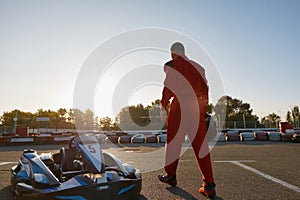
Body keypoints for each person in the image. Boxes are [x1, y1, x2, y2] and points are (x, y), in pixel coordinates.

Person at [158, 42, 216, 199]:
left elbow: (168, 88)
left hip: (179, 106)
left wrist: (164, 105)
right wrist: (202, 111)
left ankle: (171, 176)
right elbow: (205, 90)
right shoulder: (199, 67)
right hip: (196, 106)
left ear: (172, 53)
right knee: (201, 145)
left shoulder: (174, 65)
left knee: (173, 143)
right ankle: (209, 186)